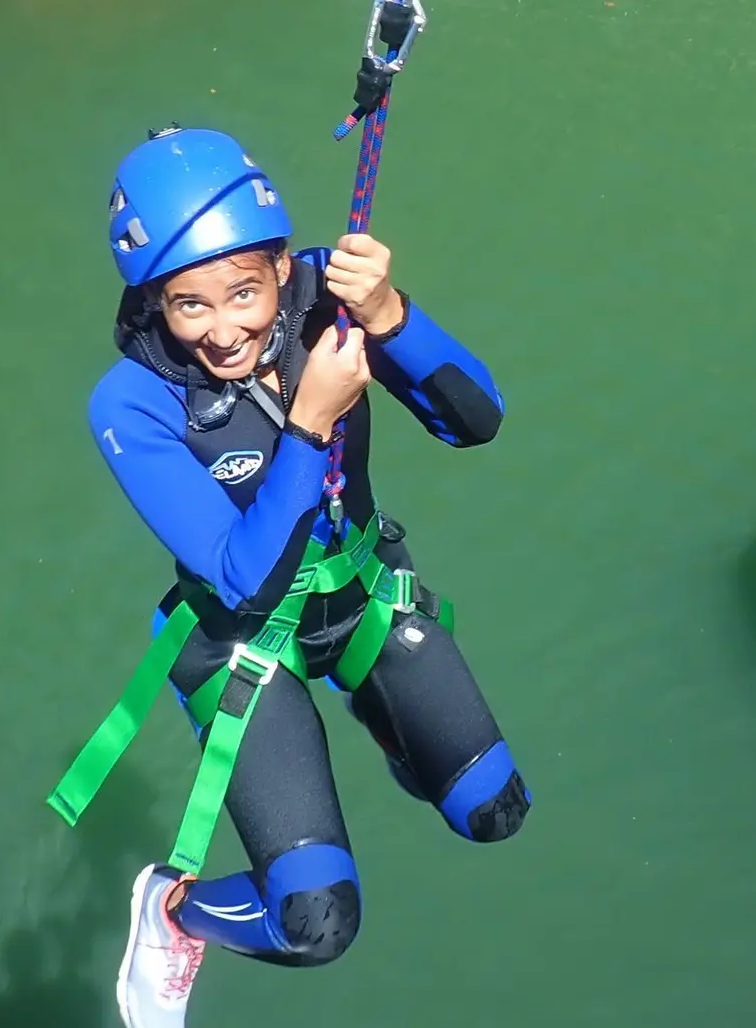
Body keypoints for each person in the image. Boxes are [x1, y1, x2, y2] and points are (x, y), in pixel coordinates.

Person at [81, 124, 531, 1028]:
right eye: (188, 306)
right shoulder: (131, 403)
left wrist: (393, 314)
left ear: (284, 268)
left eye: (244, 292)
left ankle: (394, 727)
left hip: (362, 598)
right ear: (151, 304)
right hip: (242, 647)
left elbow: (476, 420)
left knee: (495, 811)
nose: (223, 330)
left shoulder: (331, 300)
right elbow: (246, 580)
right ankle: (171, 915)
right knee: (317, 925)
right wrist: (310, 426)